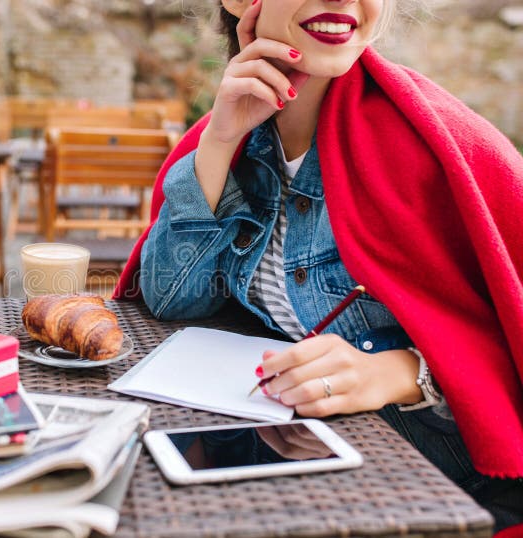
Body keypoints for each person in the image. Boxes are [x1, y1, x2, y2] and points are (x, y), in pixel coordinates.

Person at [112, 0, 523, 531]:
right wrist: (220, 137)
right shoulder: (227, 140)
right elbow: (170, 299)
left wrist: (401, 373)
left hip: (440, 489)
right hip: (285, 460)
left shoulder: (445, 146)